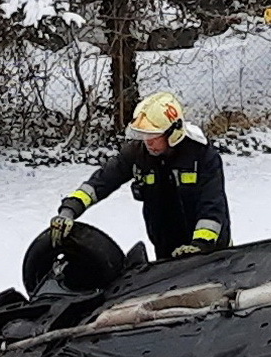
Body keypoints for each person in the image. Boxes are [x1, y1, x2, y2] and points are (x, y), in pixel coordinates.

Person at [50, 91, 231, 259]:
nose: (148, 142)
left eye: (153, 136)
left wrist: (200, 246)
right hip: (166, 251)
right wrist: (70, 209)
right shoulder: (137, 154)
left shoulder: (202, 156)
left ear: (173, 132)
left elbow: (212, 206)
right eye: (143, 135)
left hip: (212, 253)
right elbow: (101, 181)